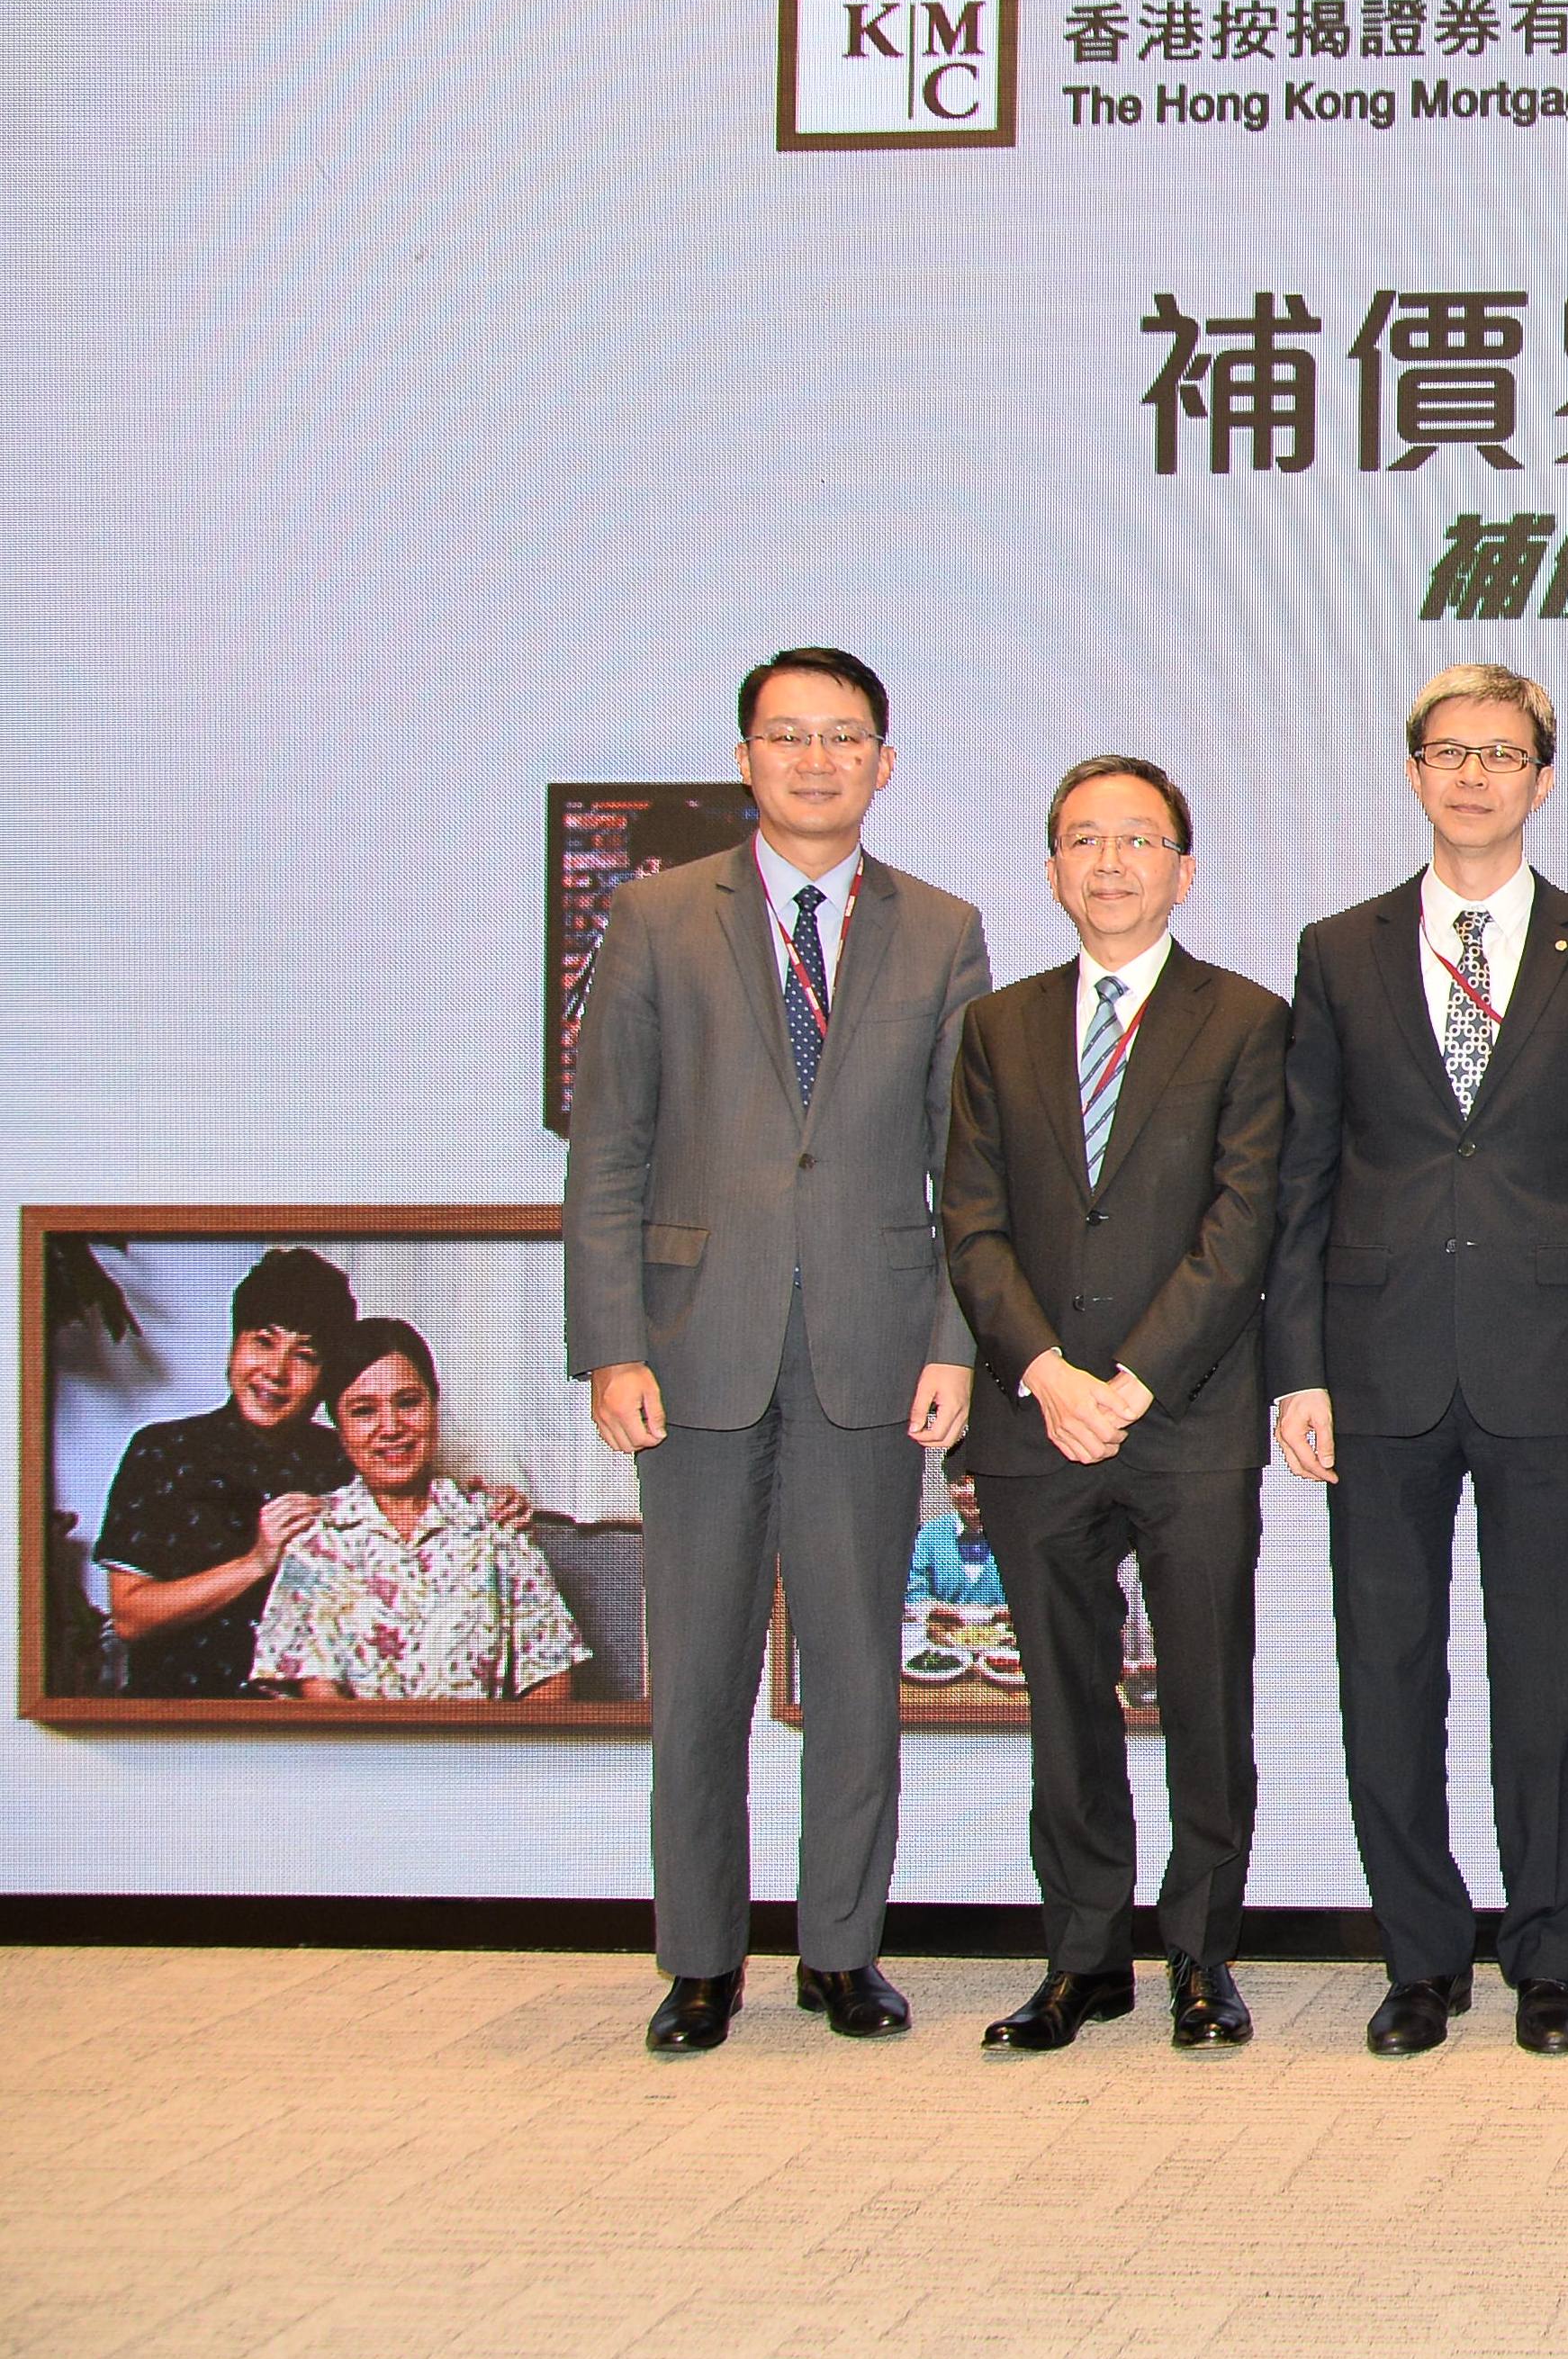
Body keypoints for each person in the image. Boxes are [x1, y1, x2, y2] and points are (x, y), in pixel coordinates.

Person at [564, 644, 990, 2055]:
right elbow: (610, 1149)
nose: (817, 760)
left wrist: (954, 1342)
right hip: (691, 1348)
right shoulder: (654, 917)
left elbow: (966, 1168)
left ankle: (841, 1952)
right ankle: (698, 1959)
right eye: (788, 736)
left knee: (861, 1667)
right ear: (743, 757)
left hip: (873, 1350)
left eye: (846, 736)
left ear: (886, 760)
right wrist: (610, 1344)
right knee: (696, 1675)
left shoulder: (941, 929)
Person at [1269, 665, 1568, 2059]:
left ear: (1543, 780)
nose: (1475, 774)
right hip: (1374, 1370)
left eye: (1503, 753)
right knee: (1389, 1668)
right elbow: (1304, 1174)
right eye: (1449, 751)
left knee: (1553, 1670)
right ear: (1416, 772)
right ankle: (1419, 1957)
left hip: (1556, 1369)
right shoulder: (1340, 947)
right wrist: (1294, 1368)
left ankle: (1554, 1955)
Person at [941, 754, 1287, 2055]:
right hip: (1038, 1419)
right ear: (1050, 871)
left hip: (1186, 1418)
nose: (1110, 861)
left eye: (1137, 839)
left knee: (1206, 1695)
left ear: (1182, 871)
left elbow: (1242, 1222)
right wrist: (1045, 1372)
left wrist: (1133, 1382)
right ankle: (1082, 1957)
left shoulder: (1248, 1019)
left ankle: (1204, 1958)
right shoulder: (998, 1027)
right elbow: (969, 1224)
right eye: (1083, 839)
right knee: (1063, 1703)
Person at [248, 1319, 585, 1702]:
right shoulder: (314, 1544)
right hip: (361, 1758)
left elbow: (550, 1677)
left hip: (490, 1757)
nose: (391, 1427)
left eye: (408, 1402)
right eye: (363, 1411)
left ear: (434, 1408)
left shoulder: (496, 1527)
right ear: (339, 1430)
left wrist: (511, 1760)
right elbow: (320, 1704)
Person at [95, 1247, 356, 1698]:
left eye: (305, 1355)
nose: (276, 1372)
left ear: (326, 1375)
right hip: (179, 1715)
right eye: (263, 1341)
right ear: (235, 1342)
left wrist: (491, 1506)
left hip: (308, 1731)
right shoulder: (163, 1452)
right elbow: (130, 1617)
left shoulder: (345, 1460)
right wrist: (255, 1562)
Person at [906, 1472, 1002, 1608]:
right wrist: (936, 1611)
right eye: (961, 1484)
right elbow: (913, 1591)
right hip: (944, 1628)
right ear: (950, 1488)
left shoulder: (1017, 1535)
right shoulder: (930, 1535)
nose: (971, 1492)